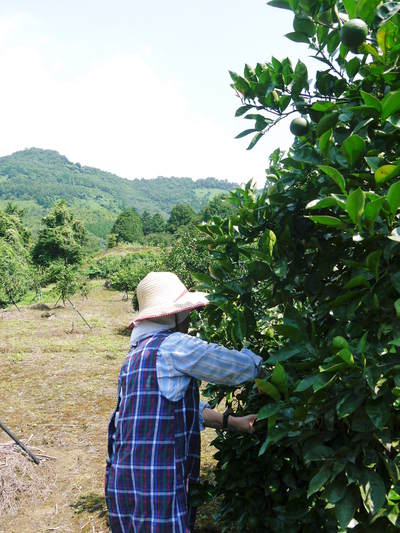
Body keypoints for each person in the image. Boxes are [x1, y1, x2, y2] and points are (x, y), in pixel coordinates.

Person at [105, 271, 262, 533]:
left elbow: (175, 409)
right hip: (157, 484)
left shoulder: (132, 358)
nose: (189, 320)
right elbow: (227, 365)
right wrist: (263, 368)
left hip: (124, 481)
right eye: (186, 312)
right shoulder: (173, 346)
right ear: (173, 316)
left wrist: (232, 422)